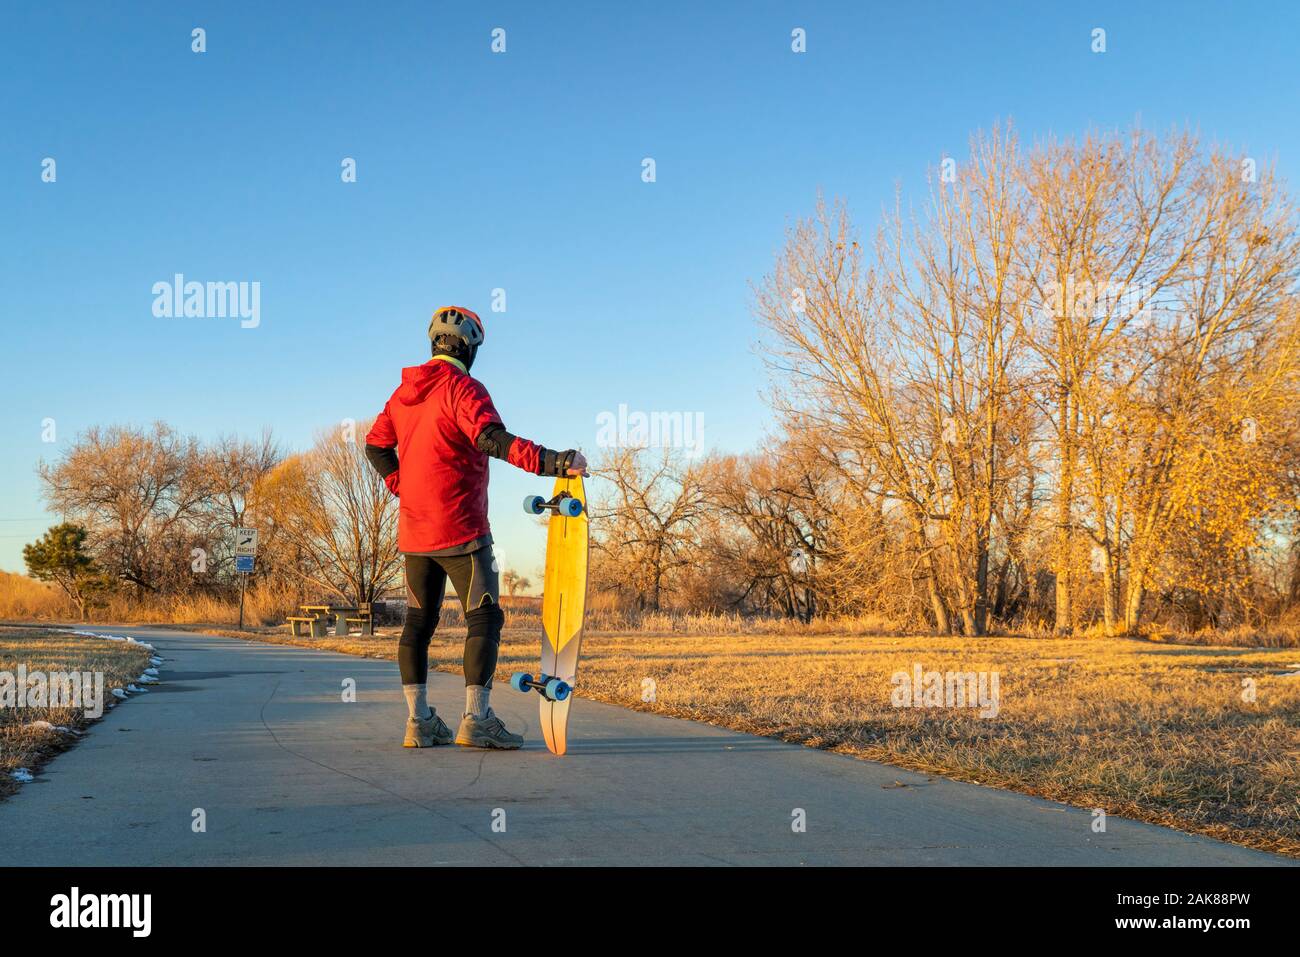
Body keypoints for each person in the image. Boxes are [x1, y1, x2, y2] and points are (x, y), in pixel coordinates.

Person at [365, 306, 586, 750]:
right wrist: (554, 462)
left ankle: (419, 722)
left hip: (414, 533)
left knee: (418, 623)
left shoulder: (401, 394)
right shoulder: (463, 388)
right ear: (469, 347)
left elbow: (375, 446)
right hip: (461, 529)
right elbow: (491, 440)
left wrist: (403, 487)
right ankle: (476, 719)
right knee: (483, 618)